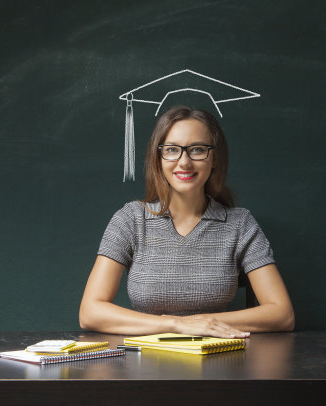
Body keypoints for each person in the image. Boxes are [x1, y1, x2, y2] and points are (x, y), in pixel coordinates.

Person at [79, 106, 294, 338]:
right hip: (144, 364)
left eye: (198, 150)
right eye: (172, 150)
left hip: (218, 362)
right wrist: (176, 325)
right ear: (158, 158)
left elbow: (282, 314)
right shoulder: (130, 219)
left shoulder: (240, 223)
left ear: (215, 159)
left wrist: (204, 324)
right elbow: (90, 312)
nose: (184, 162)